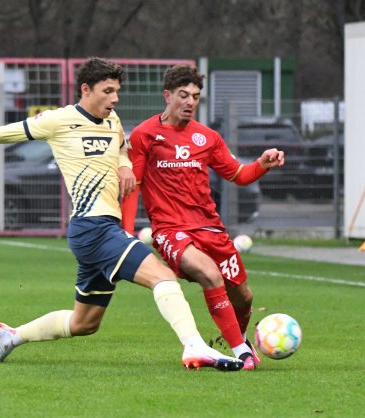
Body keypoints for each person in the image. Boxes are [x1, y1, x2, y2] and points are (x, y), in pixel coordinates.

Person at [0, 57, 244, 371]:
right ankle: (194, 345)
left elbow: (120, 146)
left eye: (117, 91)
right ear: (86, 89)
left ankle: (13, 336)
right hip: (95, 227)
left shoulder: (112, 120)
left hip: (95, 231)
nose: (114, 98)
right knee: (162, 276)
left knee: (84, 322)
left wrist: (122, 165)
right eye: (108, 91)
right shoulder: (58, 120)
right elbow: (10, 132)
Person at [121, 64, 286, 370]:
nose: (189, 102)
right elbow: (134, 185)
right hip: (171, 230)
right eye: (183, 95)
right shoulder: (146, 135)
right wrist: (127, 231)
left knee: (244, 298)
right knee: (209, 274)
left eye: (195, 96)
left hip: (211, 229)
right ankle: (243, 354)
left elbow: (238, 174)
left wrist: (262, 163)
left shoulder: (207, 137)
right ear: (167, 95)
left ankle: (240, 338)